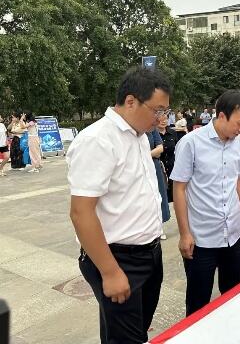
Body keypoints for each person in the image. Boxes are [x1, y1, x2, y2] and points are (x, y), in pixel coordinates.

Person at [67, 67, 171, 344]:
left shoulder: (137, 135)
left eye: (165, 112)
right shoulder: (98, 140)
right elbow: (81, 212)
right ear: (130, 101)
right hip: (118, 258)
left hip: (149, 252)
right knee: (126, 338)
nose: (161, 119)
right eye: (157, 110)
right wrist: (110, 272)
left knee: (134, 331)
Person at [171, 89, 240, 316]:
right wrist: (184, 233)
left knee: (230, 296)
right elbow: (179, 188)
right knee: (198, 302)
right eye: (239, 123)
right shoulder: (191, 143)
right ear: (221, 116)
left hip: (234, 234)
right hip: (202, 239)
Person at [146, 128, 171, 240]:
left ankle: (159, 227)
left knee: (159, 195)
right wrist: (152, 153)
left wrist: (143, 155)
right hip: (138, 167)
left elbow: (160, 148)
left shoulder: (152, 129)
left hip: (154, 166)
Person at [157, 114, 180, 203]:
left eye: (165, 119)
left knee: (174, 195)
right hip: (160, 168)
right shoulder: (153, 135)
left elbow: (178, 149)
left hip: (173, 167)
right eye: (161, 119)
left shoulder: (173, 133)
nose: (163, 121)